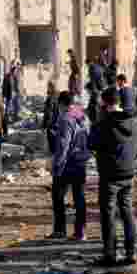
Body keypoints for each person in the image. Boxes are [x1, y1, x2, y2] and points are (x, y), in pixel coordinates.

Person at [90, 86, 137, 266]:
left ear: (104, 102)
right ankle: (131, 252)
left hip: (110, 175)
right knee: (127, 212)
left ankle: (110, 253)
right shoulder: (134, 120)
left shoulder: (105, 123)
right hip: (128, 173)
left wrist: (98, 118)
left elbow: (92, 143)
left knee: (109, 215)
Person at [48, 92, 90, 241]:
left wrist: (56, 165)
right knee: (79, 197)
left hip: (68, 163)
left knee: (58, 196)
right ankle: (80, 231)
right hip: (81, 161)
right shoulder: (82, 116)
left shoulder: (65, 119)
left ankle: (60, 230)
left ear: (61, 104)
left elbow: (63, 146)